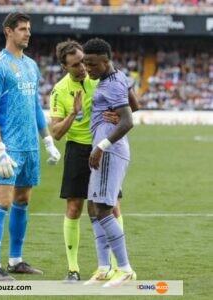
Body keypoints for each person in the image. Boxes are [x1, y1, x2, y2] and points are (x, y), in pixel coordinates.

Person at [49, 40, 138, 283]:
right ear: (65, 67)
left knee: (107, 206)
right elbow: (55, 133)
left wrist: (118, 117)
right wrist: (73, 113)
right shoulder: (60, 90)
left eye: (84, 62)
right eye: (77, 64)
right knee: (81, 208)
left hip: (104, 147)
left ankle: (120, 266)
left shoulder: (100, 75)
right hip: (79, 149)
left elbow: (129, 106)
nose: (83, 68)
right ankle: (79, 268)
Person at [0, 12, 61, 281]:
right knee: (2, 202)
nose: (28, 33)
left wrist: (48, 140)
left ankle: (15, 260)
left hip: (30, 146)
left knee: (23, 200)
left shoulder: (31, 65)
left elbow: (35, 106)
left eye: (29, 29)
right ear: (8, 31)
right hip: (9, 147)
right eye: (22, 29)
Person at [83, 37, 136, 287]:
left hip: (109, 151)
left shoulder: (112, 85)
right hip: (105, 150)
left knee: (104, 208)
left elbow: (128, 120)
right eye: (85, 63)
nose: (88, 68)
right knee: (93, 207)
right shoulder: (116, 78)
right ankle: (104, 267)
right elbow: (134, 104)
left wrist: (102, 146)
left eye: (92, 64)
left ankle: (124, 269)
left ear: (106, 61)